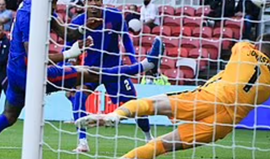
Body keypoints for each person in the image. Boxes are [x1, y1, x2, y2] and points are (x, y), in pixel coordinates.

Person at [0, 0, 163, 159]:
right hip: (31, 73)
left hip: (14, 75)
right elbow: (35, 58)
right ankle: (145, 66)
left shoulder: (34, 5)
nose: (56, 2)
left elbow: (64, 32)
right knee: (88, 72)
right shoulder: (32, 15)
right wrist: (69, 55)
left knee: (9, 115)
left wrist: (83, 30)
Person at [79, 36, 270, 158]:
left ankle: (115, 115)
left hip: (211, 98)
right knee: (161, 146)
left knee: (152, 104)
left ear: (259, 46)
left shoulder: (244, 49)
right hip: (225, 123)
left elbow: (248, 44)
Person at [67, 0, 153, 153]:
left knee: (135, 105)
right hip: (90, 70)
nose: (93, 4)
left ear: (102, 1)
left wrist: (133, 63)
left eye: (96, 0)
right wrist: (67, 73)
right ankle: (82, 142)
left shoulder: (114, 16)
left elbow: (126, 39)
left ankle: (149, 137)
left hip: (114, 70)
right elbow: (67, 47)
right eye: (90, 0)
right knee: (78, 97)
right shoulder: (78, 23)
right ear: (84, 3)